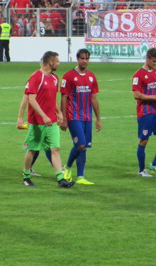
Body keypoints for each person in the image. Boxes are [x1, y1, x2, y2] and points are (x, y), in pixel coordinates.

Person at [22, 51, 74, 188]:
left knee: (55, 148)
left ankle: (61, 179)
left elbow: (52, 98)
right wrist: (43, 115)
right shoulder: (36, 77)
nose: (59, 63)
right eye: (57, 61)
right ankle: (26, 177)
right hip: (37, 121)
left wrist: (59, 112)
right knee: (32, 150)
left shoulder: (55, 78)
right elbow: (31, 99)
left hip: (52, 121)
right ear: (50, 62)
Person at [60, 49, 101, 185]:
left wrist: (98, 119)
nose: (85, 61)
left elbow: (94, 98)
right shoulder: (68, 76)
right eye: (82, 58)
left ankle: (81, 177)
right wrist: (64, 118)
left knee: (84, 147)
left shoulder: (91, 76)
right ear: (77, 59)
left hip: (87, 117)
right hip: (73, 116)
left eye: (87, 58)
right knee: (81, 144)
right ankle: (67, 167)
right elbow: (64, 97)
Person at [132, 48, 156, 177]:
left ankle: (154, 164)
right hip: (145, 113)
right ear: (147, 58)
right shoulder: (138, 75)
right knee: (144, 141)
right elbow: (137, 95)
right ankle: (141, 170)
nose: (155, 63)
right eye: (154, 61)